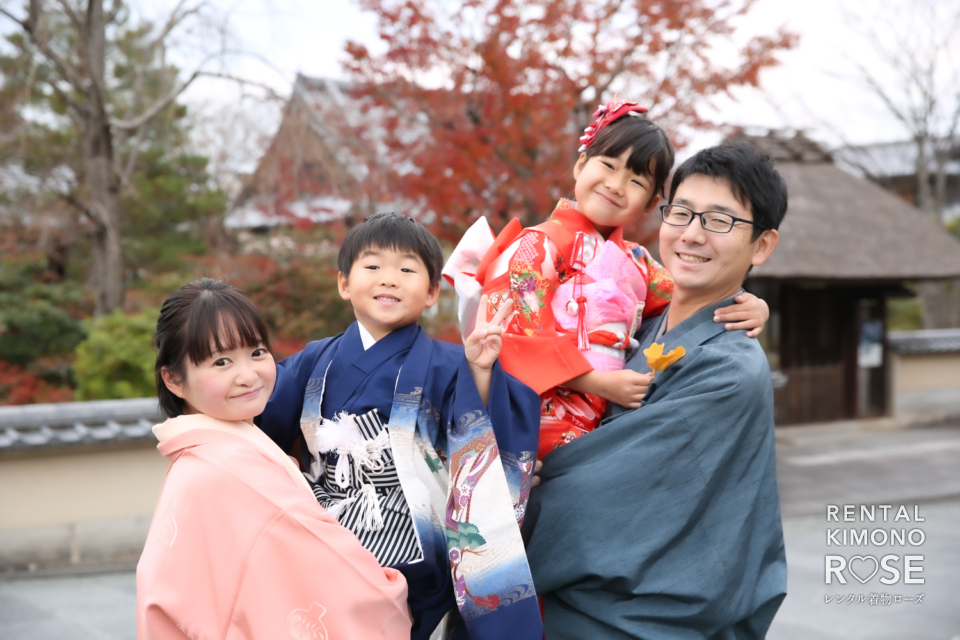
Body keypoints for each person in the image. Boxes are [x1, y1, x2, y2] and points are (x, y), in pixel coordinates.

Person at [523, 143, 789, 639]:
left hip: (635, 620)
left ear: (762, 245)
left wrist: (504, 493)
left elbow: (596, 495)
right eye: (681, 212)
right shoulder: (641, 321)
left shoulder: (730, 371)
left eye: (719, 221)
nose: (692, 234)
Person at [259, 213, 543, 640]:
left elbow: (477, 432)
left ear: (431, 293)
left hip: (414, 539)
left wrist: (481, 372)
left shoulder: (451, 363)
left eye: (407, 270)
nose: (389, 279)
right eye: (373, 266)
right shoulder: (315, 360)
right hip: (325, 530)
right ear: (344, 284)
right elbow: (261, 419)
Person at [443, 100, 769, 459]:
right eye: (608, 166)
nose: (615, 185)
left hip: (605, 419)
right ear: (580, 165)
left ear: (650, 204)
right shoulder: (535, 245)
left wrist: (750, 304)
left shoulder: (639, 262)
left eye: (636, 181)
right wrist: (597, 382)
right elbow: (517, 332)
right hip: (539, 412)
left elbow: (689, 297)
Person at [137, 278, 411, 640]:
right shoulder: (233, 470)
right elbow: (345, 581)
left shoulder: (199, 458)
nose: (248, 375)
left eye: (257, 352)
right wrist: (395, 587)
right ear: (174, 380)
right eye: (221, 361)